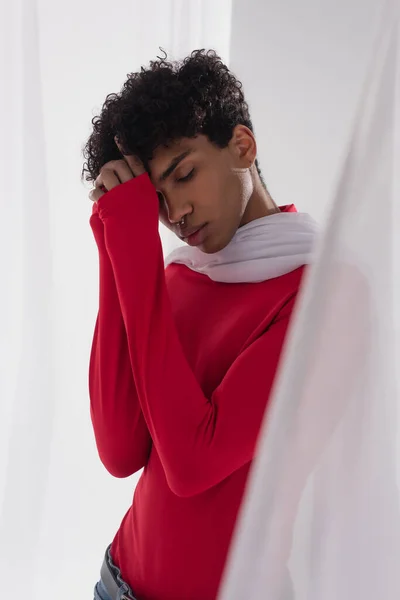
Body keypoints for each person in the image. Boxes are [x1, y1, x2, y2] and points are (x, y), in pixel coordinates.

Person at [82, 49, 318, 600]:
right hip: (116, 583)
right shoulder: (182, 273)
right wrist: (113, 240)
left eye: (184, 174)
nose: (175, 213)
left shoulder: (314, 292)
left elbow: (192, 464)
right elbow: (119, 450)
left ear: (242, 146)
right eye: (157, 201)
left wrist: (136, 251)